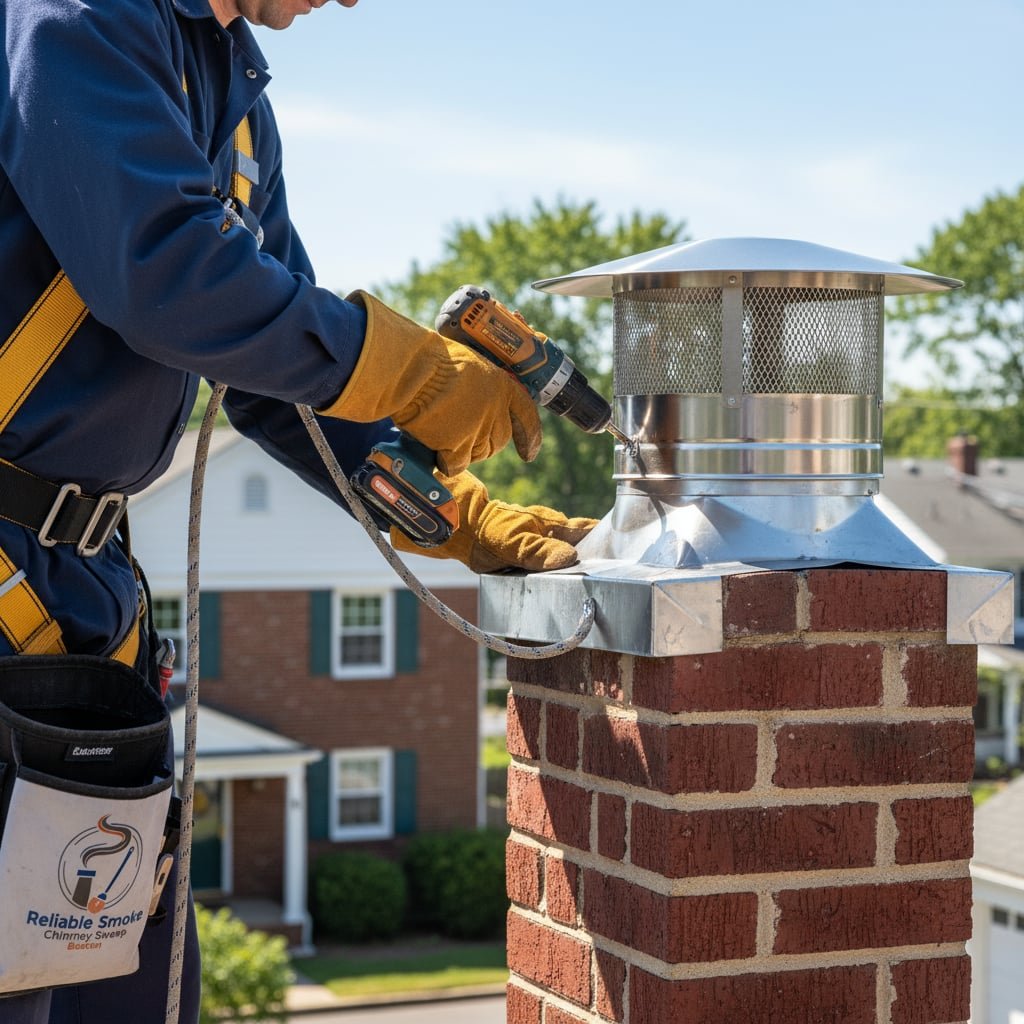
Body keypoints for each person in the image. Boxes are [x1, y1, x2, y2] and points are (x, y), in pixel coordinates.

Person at [0, 0, 596, 1021]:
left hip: (84, 590)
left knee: (117, 979)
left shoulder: (235, 99)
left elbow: (282, 386)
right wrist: (408, 369)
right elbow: (165, 269)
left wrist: (460, 518)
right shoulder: (80, 19)